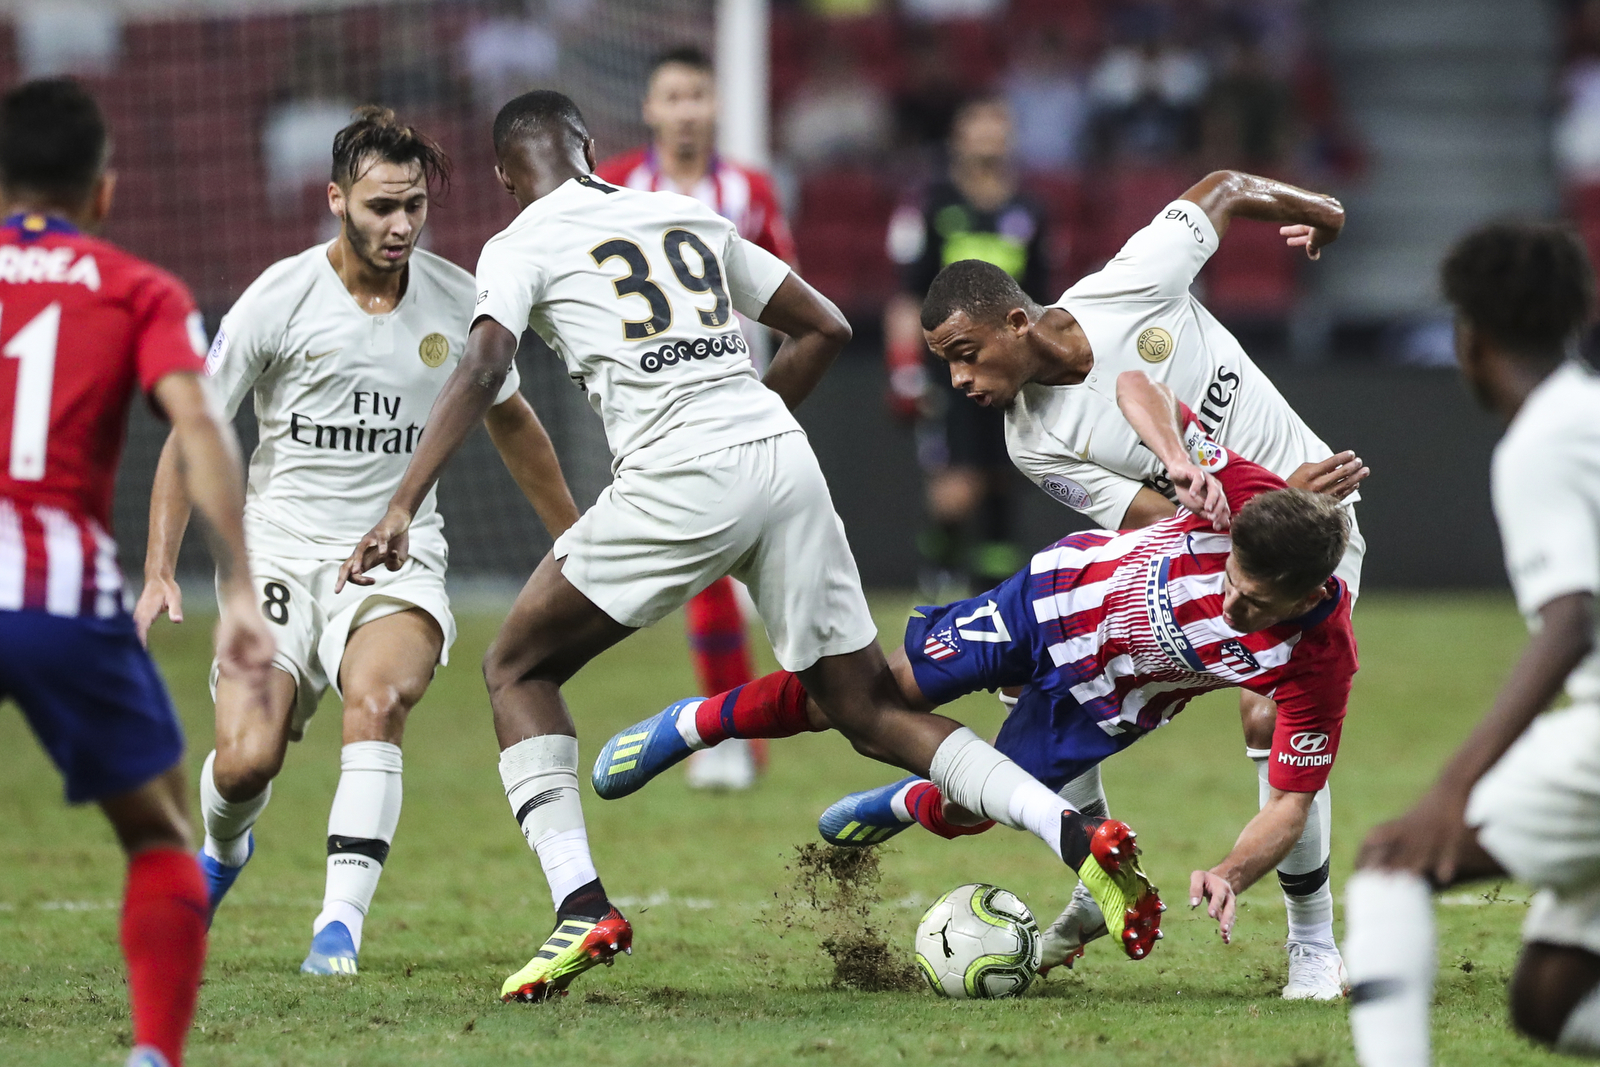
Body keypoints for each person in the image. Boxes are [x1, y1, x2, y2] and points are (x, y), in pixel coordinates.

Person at [340, 90, 1157, 1002]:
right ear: (591, 148)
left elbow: (487, 367)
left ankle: (580, 904)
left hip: (676, 472)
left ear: (503, 176)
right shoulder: (684, 211)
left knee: (515, 668)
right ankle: (1074, 835)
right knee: (868, 706)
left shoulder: (517, 242)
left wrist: (403, 500)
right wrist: (753, 430)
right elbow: (828, 327)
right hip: (779, 457)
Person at [135, 107, 578, 977]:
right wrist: (158, 566)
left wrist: (575, 537)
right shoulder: (280, 296)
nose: (400, 224)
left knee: (378, 700)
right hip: (275, 555)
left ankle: (337, 928)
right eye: (381, 207)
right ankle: (224, 852)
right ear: (336, 198)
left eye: (414, 205)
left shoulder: (461, 301)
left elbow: (515, 421)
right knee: (246, 761)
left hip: (396, 557)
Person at [915, 169, 1367, 999]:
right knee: (1052, 669)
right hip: (1210, 552)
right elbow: (1163, 525)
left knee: (1269, 705)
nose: (960, 384)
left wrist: (1321, 210)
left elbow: (1224, 188)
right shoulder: (1031, 440)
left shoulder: (1132, 282)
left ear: (1017, 322)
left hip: (1315, 521)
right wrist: (1219, 487)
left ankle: (1313, 945)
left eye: (966, 357)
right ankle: (1096, 874)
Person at [813, 369, 1356, 954]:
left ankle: (907, 803)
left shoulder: (1320, 657)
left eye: (1252, 601)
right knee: (876, 695)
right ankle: (703, 723)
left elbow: (1290, 802)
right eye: (1230, 582)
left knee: (969, 808)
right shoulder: (1246, 496)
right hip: (1058, 598)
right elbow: (1137, 385)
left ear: (1302, 599)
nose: (1230, 604)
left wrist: (1229, 872)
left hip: (1110, 694)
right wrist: (1178, 460)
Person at [0, 78, 275, 1067]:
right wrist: (237, 587)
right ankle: (153, 1053)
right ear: (103, 191)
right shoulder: (137, 287)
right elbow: (199, 425)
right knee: (160, 827)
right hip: (59, 596)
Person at [1345, 223, 1600, 1065]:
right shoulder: (1587, 412)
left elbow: (1571, 619)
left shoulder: (1543, 438)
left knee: (1393, 861)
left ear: (1470, 338)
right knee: (1549, 998)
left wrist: (1453, 788)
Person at [595, 44, 800, 791]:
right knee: (712, 572)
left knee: (742, 572)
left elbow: (785, 289)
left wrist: (774, 393)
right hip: (654, 407)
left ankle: (739, 733)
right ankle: (737, 735)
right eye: (672, 96)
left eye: (697, 96)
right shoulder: (615, 185)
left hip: (737, 399)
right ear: (650, 108)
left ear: (716, 106)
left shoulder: (746, 190)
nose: (686, 110)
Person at [883, 96, 1048, 596]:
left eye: (997, 125)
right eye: (977, 124)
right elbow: (907, 296)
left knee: (1003, 482)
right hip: (949, 373)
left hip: (1012, 371)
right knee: (957, 487)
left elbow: (1041, 301)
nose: (988, 136)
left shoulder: (1030, 212)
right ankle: (935, 581)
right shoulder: (934, 206)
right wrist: (904, 369)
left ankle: (996, 595)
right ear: (958, 136)